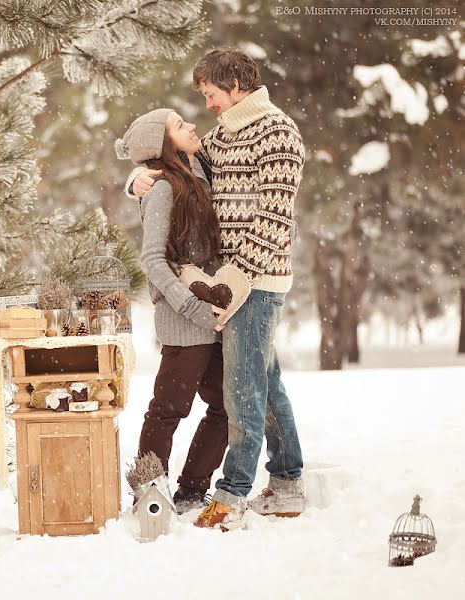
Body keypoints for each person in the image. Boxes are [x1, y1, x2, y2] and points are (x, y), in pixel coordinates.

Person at [127, 48, 307, 531]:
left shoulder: (278, 133)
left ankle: (231, 493)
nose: (206, 106)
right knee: (263, 383)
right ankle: (288, 478)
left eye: (210, 94)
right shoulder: (223, 134)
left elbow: (271, 221)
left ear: (235, 86)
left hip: (255, 283)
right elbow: (171, 162)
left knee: (242, 390)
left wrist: (227, 288)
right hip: (220, 287)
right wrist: (137, 178)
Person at [118, 108, 229, 514]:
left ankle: (191, 490)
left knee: (225, 406)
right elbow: (152, 261)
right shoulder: (163, 189)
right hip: (186, 325)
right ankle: (149, 495)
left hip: (216, 317)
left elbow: (124, 146)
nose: (192, 126)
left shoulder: (199, 171)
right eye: (180, 126)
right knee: (167, 411)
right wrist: (194, 308)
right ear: (164, 144)